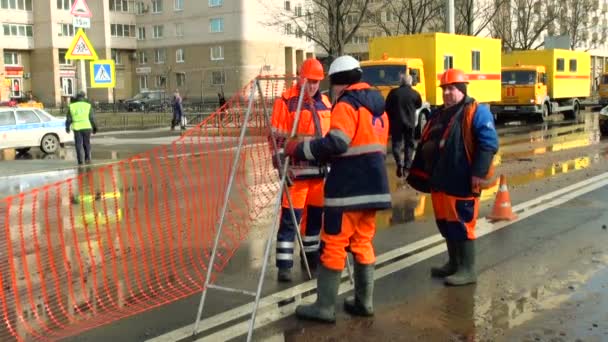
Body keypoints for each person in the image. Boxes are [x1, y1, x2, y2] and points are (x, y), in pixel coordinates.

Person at [284, 55, 391, 322]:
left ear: (338, 82)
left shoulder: (346, 105)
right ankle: (364, 303)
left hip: (347, 189)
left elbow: (338, 143)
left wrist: (300, 148)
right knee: (363, 242)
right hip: (375, 188)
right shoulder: (378, 106)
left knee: (333, 244)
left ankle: (324, 307)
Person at [406, 68, 499, 286]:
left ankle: (467, 270)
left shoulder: (477, 112)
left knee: (461, 225)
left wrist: (478, 174)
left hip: (462, 181)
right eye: (445, 89)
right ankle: (453, 263)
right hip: (440, 181)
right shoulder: (440, 113)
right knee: (446, 225)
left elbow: (488, 144)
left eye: (453, 88)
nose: (448, 93)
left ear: (463, 89)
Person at [269, 58, 332, 282]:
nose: (313, 86)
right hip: (295, 173)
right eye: (309, 81)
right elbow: (276, 138)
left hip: (319, 174)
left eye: (316, 81)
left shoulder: (325, 102)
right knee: (290, 220)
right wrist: (280, 167)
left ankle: (311, 256)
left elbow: (329, 138)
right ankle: (284, 265)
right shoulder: (286, 101)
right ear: (300, 77)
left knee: (314, 220)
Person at [385, 72, 422, 178]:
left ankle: (399, 163)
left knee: (396, 144)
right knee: (409, 144)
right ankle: (407, 167)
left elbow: (387, 107)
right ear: (410, 82)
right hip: (410, 123)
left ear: (400, 82)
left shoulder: (393, 93)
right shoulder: (414, 93)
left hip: (396, 122)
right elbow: (419, 104)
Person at [66, 90, 97, 166]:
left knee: (78, 144)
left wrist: (67, 127)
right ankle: (87, 158)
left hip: (77, 128)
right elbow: (92, 118)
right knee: (86, 143)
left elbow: (69, 119)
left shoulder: (72, 106)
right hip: (87, 127)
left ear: (76, 97)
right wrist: (95, 127)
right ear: (84, 97)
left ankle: (80, 160)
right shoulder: (88, 105)